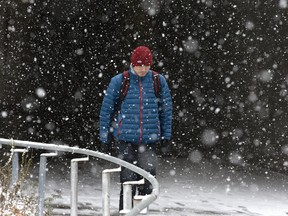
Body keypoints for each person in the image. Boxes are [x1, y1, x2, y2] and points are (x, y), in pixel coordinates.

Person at [99, 45, 172, 211]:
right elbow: (107, 110)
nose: (144, 69)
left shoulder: (157, 81)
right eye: (140, 65)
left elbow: (166, 110)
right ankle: (125, 212)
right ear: (133, 64)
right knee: (127, 182)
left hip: (149, 141)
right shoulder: (120, 81)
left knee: (148, 184)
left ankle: (141, 213)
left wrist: (166, 136)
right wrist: (105, 137)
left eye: (147, 65)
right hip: (126, 141)